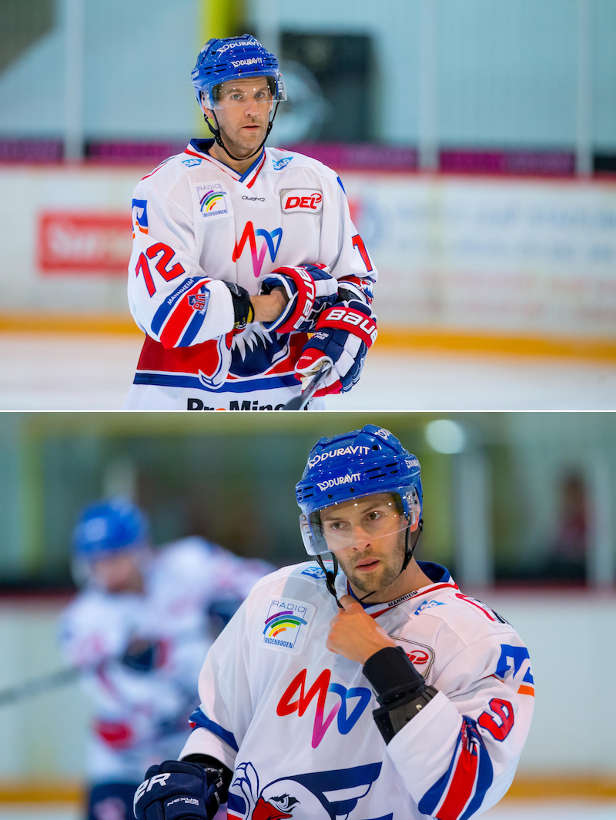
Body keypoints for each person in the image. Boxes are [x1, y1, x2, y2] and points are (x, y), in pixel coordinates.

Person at [133, 425, 535, 820]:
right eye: (338, 524)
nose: (358, 540)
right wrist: (198, 778)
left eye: (374, 516)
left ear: (411, 512)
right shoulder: (280, 595)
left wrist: (383, 661)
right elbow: (222, 725)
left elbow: (461, 795)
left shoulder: (476, 637)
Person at [125, 34, 377, 411]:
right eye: (237, 96)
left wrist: (347, 325)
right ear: (208, 104)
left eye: (261, 94)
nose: (253, 110)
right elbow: (169, 312)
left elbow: (354, 282)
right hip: (178, 399)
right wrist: (278, 304)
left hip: (289, 396)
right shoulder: (168, 186)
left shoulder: (317, 181)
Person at [59, 498, 272, 820]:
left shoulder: (190, 563)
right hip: (124, 762)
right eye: (97, 561)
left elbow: (263, 584)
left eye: (115, 556)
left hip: (197, 748)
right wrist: (147, 670)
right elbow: (115, 698)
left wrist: (238, 608)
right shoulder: (83, 620)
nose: (107, 569)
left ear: (139, 547)